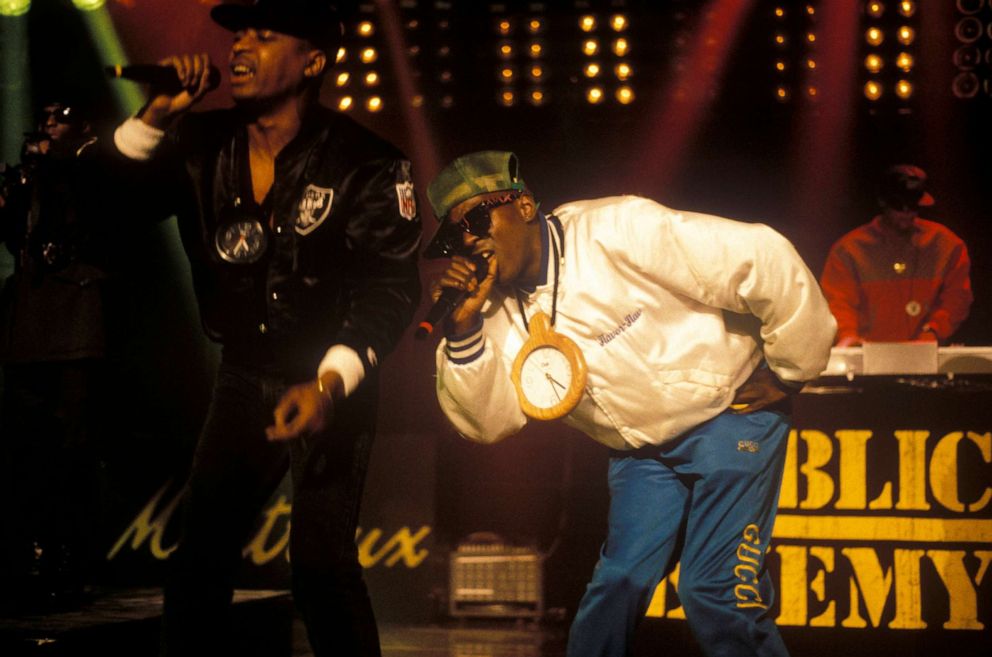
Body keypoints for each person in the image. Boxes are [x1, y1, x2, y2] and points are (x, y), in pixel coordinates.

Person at [423, 151, 836, 657]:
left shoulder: (614, 229)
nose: (470, 239)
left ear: (525, 205)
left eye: (477, 218)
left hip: (729, 417)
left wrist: (792, 369)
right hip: (643, 452)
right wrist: (463, 331)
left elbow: (760, 255)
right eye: (454, 235)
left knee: (712, 591)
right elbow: (487, 424)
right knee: (615, 586)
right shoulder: (491, 308)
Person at [111, 1, 421, 655]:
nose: (241, 46)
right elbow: (101, 208)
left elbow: (388, 289)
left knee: (321, 567)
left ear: (313, 59)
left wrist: (331, 384)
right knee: (198, 561)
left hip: (329, 378)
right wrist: (154, 117)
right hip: (244, 373)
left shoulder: (365, 163)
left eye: (265, 33)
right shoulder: (197, 145)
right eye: (238, 33)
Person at [0, 101, 112, 611]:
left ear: (83, 123)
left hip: (75, 318)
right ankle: (29, 554)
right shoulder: (37, 172)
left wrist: (52, 166)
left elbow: (91, 219)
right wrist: (16, 193)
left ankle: (73, 557)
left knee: (73, 444)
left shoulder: (92, 162)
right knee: (25, 443)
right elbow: (16, 241)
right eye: (44, 115)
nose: (48, 123)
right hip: (29, 319)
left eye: (60, 114)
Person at [820, 164, 972, 346]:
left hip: (926, 355)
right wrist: (847, 334)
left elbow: (957, 298)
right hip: (869, 357)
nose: (907, 212)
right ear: (883, 202)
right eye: (899, 205)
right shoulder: (849, 250)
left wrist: (933, 330)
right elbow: (838, 301)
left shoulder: (947, 245)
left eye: (913, 205)